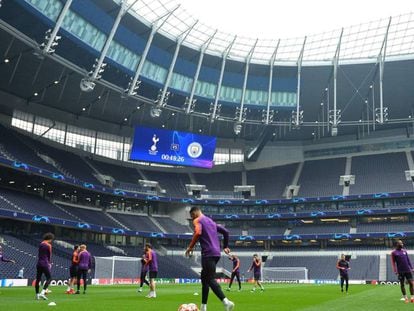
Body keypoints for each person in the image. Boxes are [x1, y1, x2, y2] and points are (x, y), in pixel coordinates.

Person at [185, 206, 235, 311]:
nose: (192, 219)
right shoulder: (211, 221)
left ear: (194, 214)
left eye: (191, 217)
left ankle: (226, 302)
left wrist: (190, 247)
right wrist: (225, 246)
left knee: (210, 279)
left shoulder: (197, 220)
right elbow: (225, 231)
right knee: (204, 278)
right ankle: (203, 306)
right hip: (216, 253)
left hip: (208, 253)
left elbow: (198, 232)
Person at [35, 232, 54, 300]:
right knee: (49, 278)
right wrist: (49, 263)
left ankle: (37, 294)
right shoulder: (49, 245)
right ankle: (42, 293)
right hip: (45, 263)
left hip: (39, 263)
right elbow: (49, 255)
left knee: (38, 279)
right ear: (50, 239)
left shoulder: (41, 244)